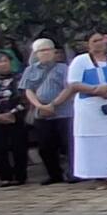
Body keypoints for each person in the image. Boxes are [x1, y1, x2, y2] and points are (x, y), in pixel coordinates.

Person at [64, 32, 107, 187]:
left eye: (101, 40)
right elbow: (74, 83)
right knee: (92, 141)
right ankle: (98, 176)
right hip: (89, 107)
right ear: (88, 44)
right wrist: (96, 89)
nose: (99, 43)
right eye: (95, 40)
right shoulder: (80, 61)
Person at [20, 39, 71, 185]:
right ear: (36, 53)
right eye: (42, 50)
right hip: (41, 113)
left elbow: (69, 88)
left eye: (49, 49)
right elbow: (28, 90)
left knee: (67, 145)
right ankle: (54, 174)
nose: (47, 53)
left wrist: (54, 104)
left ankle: (72, 173)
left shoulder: (63, 68)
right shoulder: (30, 70)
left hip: (63, 112)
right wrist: (39, 106)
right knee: (45, 147)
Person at [0, 52, 30, 185]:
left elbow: (25, 98)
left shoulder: (20, 78)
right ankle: (5, 177)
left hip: (16, 115)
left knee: (18, 146)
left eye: (5, 61)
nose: (2, 64)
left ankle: (20, 176)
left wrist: (12, 113)